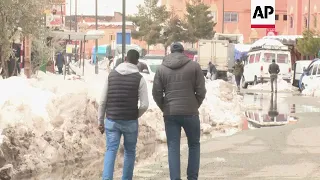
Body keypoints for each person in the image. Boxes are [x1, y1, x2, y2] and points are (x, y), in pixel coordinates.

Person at [152, 42, 206, 180]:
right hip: (191, 113)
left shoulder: (161, 69)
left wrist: (165, 107)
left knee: (173, 147)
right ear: (183, 52)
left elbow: (156, 93)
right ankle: (192, 177)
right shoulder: (194, 67)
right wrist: (194, 104)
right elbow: (201, 90)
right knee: (194, 145)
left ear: (170, 52)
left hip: (170, 113)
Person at [98, 49, 149, 180]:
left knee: (111, 150)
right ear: (137, 62)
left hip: (112, 120)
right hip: (130, 122)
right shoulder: (140, 79)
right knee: (130, 152)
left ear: (125, 58)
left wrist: (100, 121)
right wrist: (135, 115)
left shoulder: (111, 75)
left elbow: (103, 100)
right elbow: (144, 105)